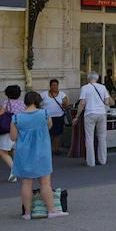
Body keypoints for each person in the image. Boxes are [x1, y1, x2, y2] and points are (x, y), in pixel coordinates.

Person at [10, 91, 67, 219]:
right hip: (42, 153)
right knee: (45, 183)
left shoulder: (16, 117)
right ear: (38, 101)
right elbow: (49, 126)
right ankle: (52, 211)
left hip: (24, 154)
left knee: (26, 183)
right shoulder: (45, 114)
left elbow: (13, 137)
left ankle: (27, 213)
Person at [74, 72, 110, 167]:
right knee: (102, 137)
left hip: (90, 114)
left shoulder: (85, 88)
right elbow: (107, 101)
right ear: (97, 79)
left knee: (89, 138)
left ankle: (91, 162)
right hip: (101, 113)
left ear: (88, 79)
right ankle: (103, 160)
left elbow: (82, 103)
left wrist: (77, 116)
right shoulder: (102, 87)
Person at [1, 84, 26, 182]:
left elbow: (1, 114)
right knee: (16, 150)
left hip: (9, 129)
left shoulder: (6, 102)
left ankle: (14, 171)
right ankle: (14, 173)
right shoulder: (22, 103)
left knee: (3, 151)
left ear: (7, 94)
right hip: (21, 128)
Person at [40, 80, 68, 158]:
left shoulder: (62, 94)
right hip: (47, 117)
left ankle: (56, 149)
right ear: (50, 86)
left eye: (56, 85)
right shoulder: (44, 94)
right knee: (47, 134)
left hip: (59, 117)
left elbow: (66, 105)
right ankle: (47, 150)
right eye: (53, 85)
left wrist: (65, 104)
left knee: (57, 134)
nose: (55, 87)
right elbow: (37, 102)